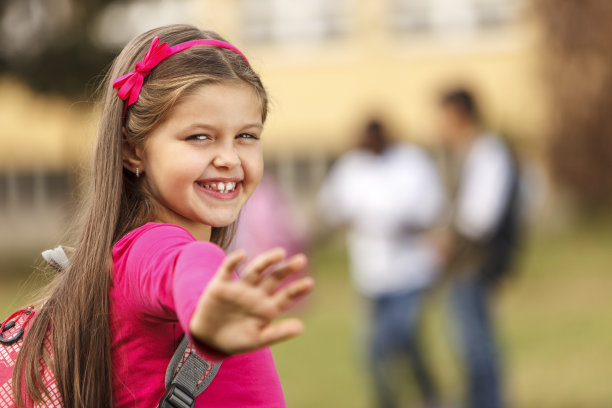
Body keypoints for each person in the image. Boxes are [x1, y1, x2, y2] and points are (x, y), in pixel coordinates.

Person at [9, 24, 314, 408]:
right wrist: (204, 308)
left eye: (246, 136)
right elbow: (185, 265)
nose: (229, 158)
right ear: (133, 151)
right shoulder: (148, 247)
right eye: (199, 137)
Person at [318, 120, 445, 408]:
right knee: (378, 350)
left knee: (397, 339)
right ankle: (399, 399)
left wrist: (405, 224)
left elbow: (432, 209)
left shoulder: (412, 162)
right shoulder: (351, 167)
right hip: (371, 276)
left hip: (410, 273)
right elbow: (331, 209)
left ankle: (429, 396)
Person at [437, 88, 521, 408]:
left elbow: (479, 219)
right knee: (469, 344)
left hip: (475, 264)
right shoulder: (470, 152)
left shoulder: (487, 152)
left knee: (477, 345)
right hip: (464, 265)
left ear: (459, 115)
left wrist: (444, 238)